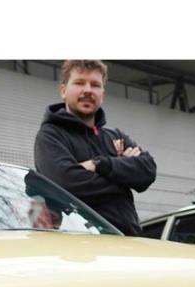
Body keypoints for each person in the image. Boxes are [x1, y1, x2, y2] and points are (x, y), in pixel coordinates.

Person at [34, 60, 156, 236]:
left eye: (95, 85)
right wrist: (124, 180)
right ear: (63, 91)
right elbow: (67, 185)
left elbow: (148, 170)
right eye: (79, 82)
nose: (88, 90)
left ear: (102, 94)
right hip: (80, 247)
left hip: (128, 241)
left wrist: (100, 164)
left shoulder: (116, 136)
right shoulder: (50, 136)